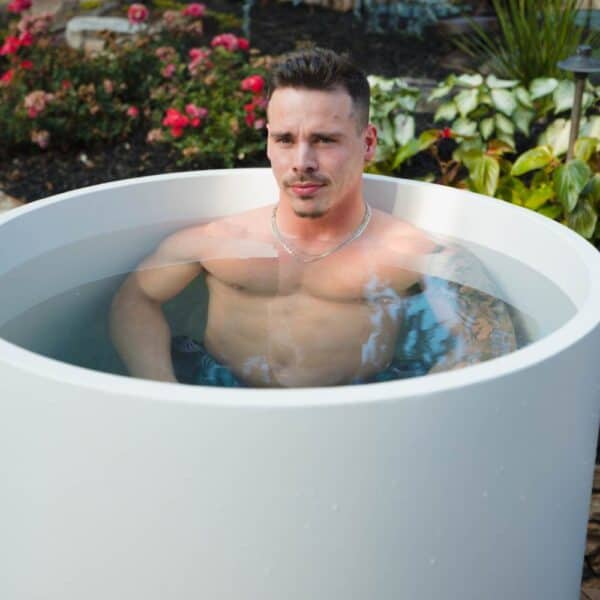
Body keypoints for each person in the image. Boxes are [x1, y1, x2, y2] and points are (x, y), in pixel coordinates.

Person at [109, 48, 516, 387]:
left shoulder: (412, 255)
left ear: (367, 141)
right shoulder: (218, 241)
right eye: (285, 139)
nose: (301, 162)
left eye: (324, 140)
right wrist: (166, 394)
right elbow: (135, 299)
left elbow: (487, 345)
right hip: (222, 398)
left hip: (353, 415)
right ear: (268, 143)